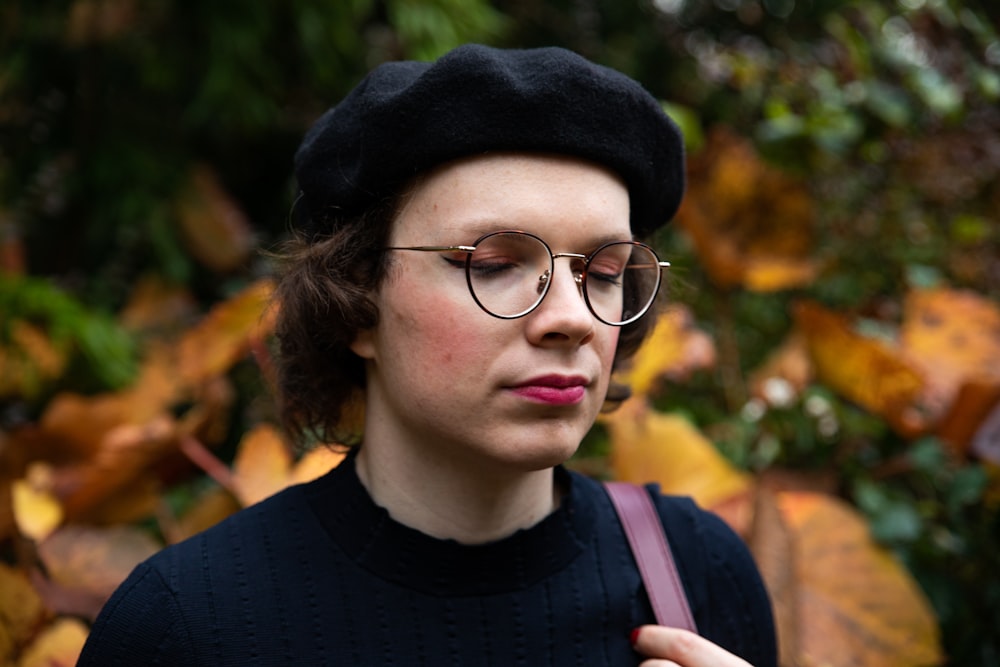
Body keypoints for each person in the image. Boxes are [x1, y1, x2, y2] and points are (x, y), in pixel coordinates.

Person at [78, 44, 777, 666]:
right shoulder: (187, 624)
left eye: (601, 271)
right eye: (495, 262)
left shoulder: (697, 575)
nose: (570, 317)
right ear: (357, 302)